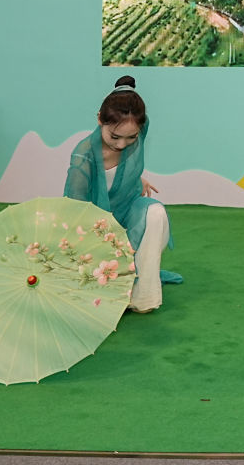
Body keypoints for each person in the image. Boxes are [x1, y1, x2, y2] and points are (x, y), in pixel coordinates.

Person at [64, 75, 183, 313]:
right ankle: (118, 283)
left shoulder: (139, 134)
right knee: (88, 284)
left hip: (129, 213)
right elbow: (75, 208)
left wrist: (136, 178)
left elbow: (122, 170)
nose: (121, 145)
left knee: (156, 212)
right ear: (100, 119)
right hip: (96, 227)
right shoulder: (84, 155)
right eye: (114, 137)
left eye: (131, 137)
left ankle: (143, 297)